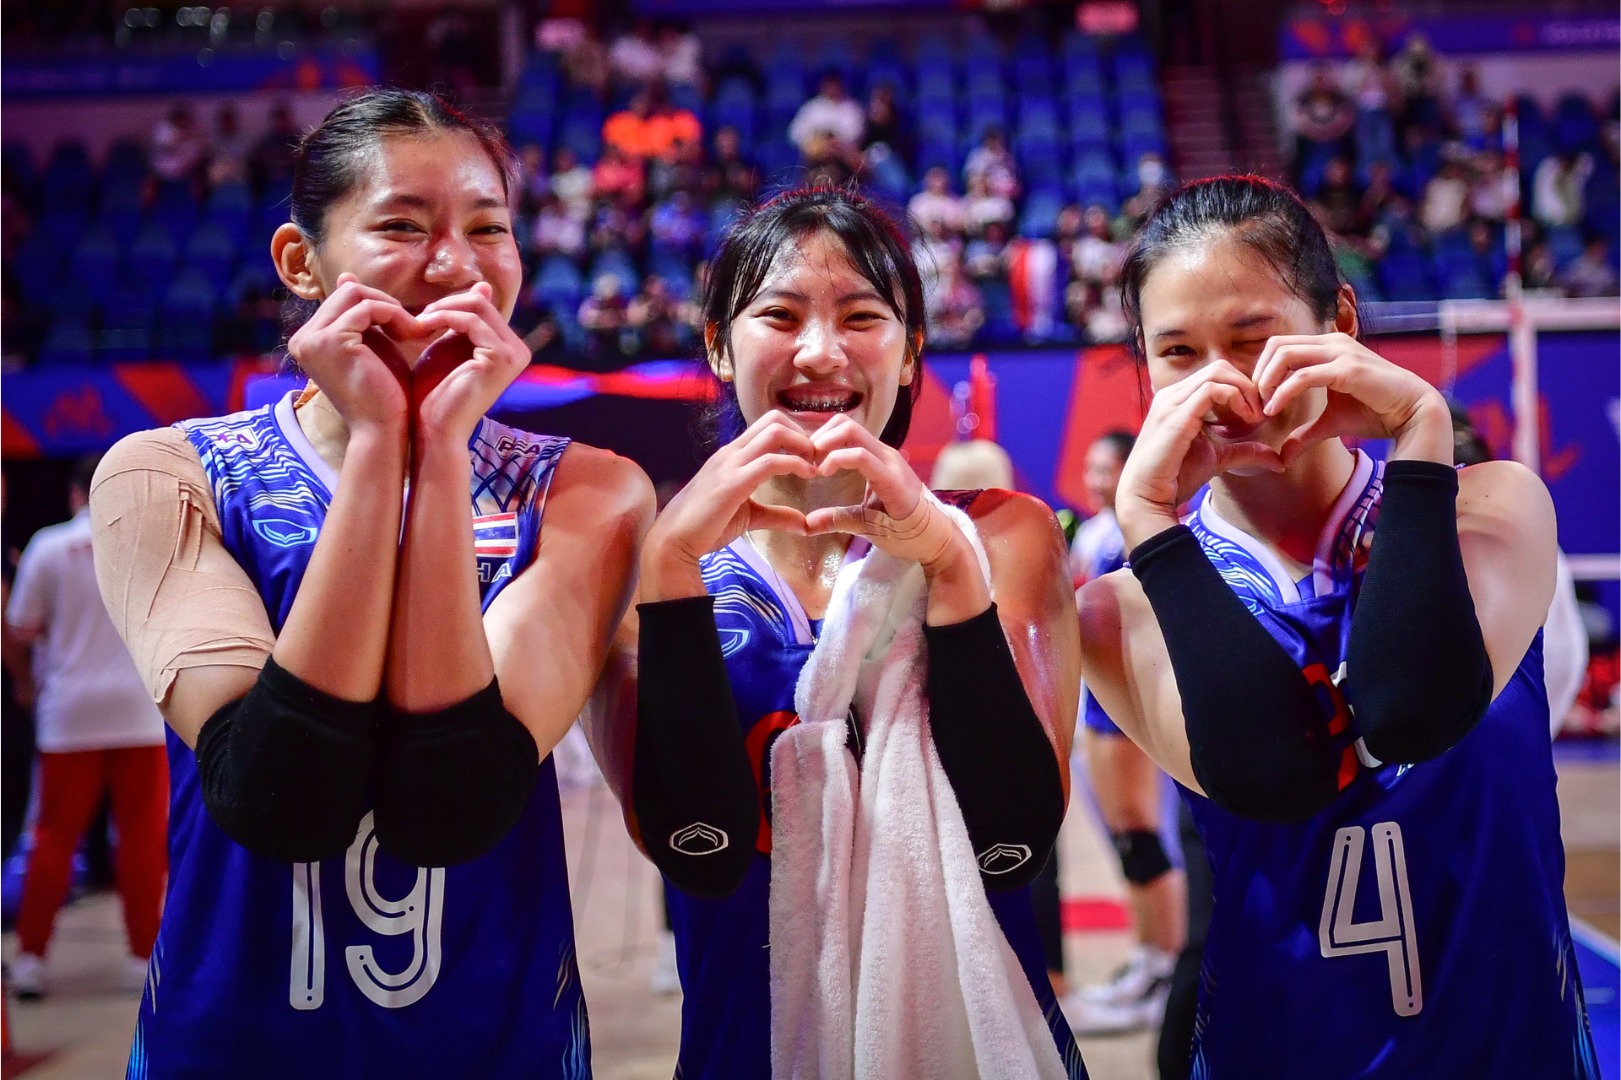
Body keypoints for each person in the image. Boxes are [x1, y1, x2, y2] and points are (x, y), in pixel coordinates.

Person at [89, 89, 651, 1077]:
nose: (456, 264)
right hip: (233, 1047)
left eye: (489, 228)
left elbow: (454, 802)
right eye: (402, 225)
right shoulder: (170, 473)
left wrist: (435, 447)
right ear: (299, 261)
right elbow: (277, 794)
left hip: (499, 1047)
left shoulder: (586, 490)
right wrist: (387, 439)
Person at [1075, 174, 1598, 1076]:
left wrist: (1420, 424)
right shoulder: (1114, 606)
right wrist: (1147, 522)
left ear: (1339, 322)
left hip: (1513, 1051)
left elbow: (1411, 710)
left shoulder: (1492, 506)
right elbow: (1273, 770)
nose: (1221, 385)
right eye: (1177, 352)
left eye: (1252, 339)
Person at [589, 187, 1088, 1078]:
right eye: (779, 316)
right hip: (743, 1052)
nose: (820, 351)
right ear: (717, 344)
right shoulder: (649, 565)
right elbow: (699, 851)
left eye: (861, 317)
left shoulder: (999, 535)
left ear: (910, 352)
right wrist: (668, 571)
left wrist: (948, 564)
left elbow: (1009, 843)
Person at [4, 455, 168, 1000]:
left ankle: (31, 960)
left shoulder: (48, 546)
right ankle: (142, 959)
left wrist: (26, 682)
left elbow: (20, 627)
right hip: (138, 710)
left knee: (53, 837)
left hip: (70, 711)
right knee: (142, 840)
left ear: (75, 495)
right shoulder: (147, 539)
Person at [1062, 430, 1187, 1035]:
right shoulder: (1091, 532)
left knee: (1143, 831)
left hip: (1127, 697)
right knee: (1124, 836)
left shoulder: (1139, 530)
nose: (1094, 480)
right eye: (1089, 468)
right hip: (1095, 700)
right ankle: (1147, 957)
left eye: (1105, 468)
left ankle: (1171, 964)